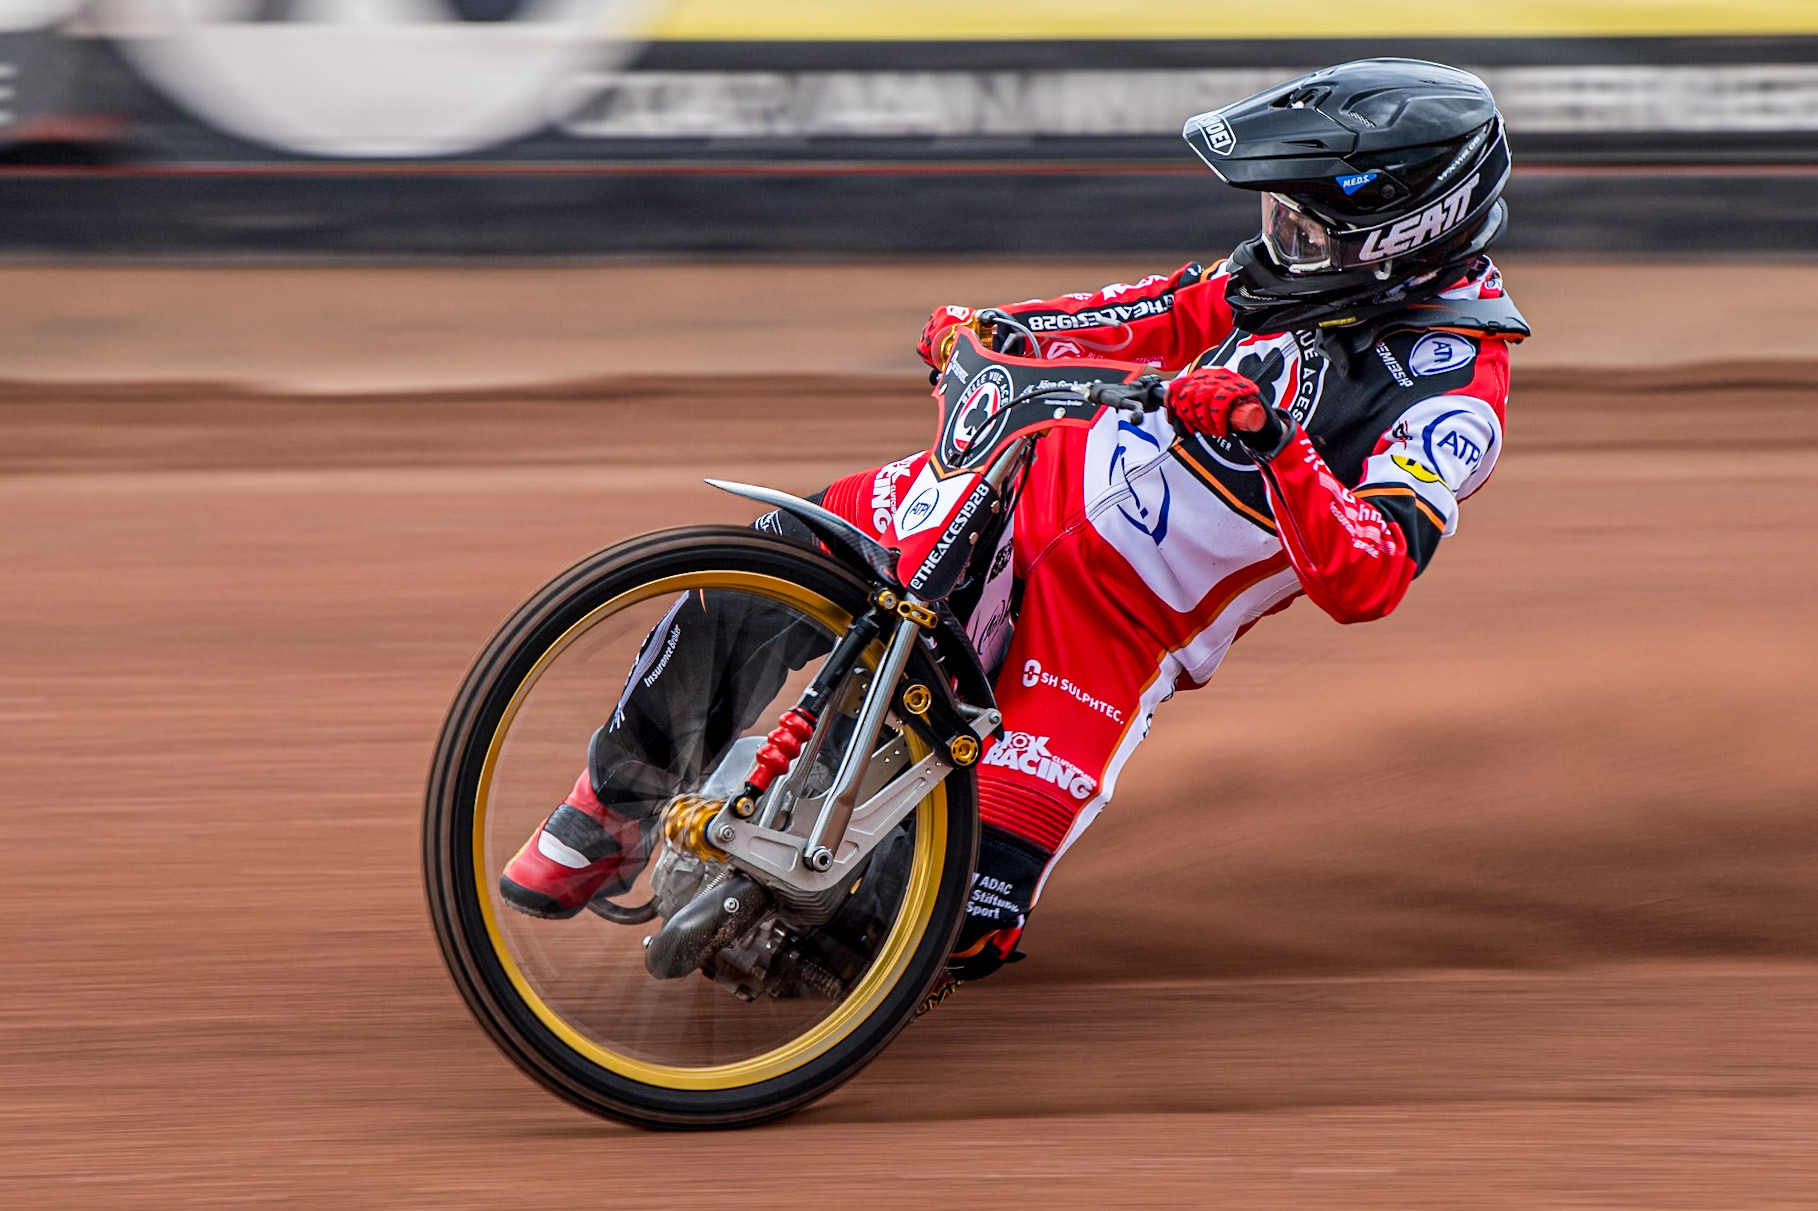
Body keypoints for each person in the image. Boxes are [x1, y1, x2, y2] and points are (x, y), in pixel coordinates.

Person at [498, 58, 1529, 986]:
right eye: (1277, 215)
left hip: (1111, 632)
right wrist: (996, 327)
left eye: (1307, 224)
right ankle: (608, 807)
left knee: (965, 917)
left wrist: (1275, 443)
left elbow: (1372, 575)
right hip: (1009, 491)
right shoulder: (1286, 277)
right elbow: (1155, 311)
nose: (1279, 239)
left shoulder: (1454, 391)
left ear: (1407, 228)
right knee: (766, 563)